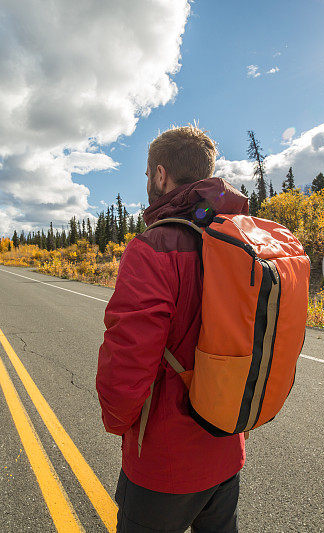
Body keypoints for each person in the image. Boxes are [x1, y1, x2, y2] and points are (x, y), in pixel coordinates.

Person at [96, 125, 249, 532]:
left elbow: (128, 360)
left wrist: (116, 421)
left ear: (161, 175)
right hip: (226, 450)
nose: (148, 183)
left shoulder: (154, 248)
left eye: (148, 175)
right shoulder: (240, 242)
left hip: (164, 464)